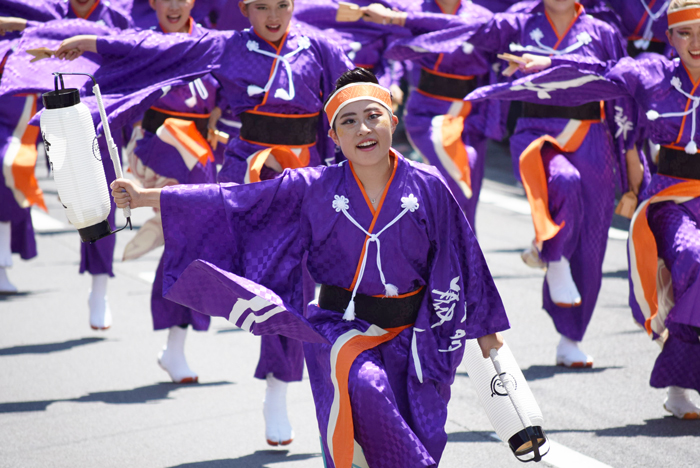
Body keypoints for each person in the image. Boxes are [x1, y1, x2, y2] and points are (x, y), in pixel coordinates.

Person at [110, 68, 510, 467]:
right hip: (341, 331)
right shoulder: (314, 187)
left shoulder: (429, 184)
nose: (363, 129)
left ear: (392, 118)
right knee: (367, 389)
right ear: (333, 138)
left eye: (372, 115)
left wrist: (486, 333)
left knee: (417, 430)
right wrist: (149, 198)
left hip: (418, 335)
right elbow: (237, 200)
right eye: (348, 122)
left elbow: (463, 256)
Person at [53, 0, 353, 445]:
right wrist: (94, 40)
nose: (274, 16)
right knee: (199, 256)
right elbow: (156, 47)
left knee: (293, 287)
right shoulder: (225, 45)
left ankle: (277, 391)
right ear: (245, 9)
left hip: (300, 181)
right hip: (243, 172)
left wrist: (382, 96)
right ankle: (174, 344)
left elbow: (353, 86)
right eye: (263, 7)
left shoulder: (320, 48)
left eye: (284, 5)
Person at [465, 0, 700, 420]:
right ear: (671, 37)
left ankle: (582, 335)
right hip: (556, 137)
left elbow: (617, 94)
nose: (695, 43)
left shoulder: (600, 28)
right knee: (566, 187)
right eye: (685, 33)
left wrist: (628, 155)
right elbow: (602, 73)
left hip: (594, 141)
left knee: (593, 249)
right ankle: (551, 254)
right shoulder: (522, 23)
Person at [0, 0, 132, 314]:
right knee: (25, 177)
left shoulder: (116, 17)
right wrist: (14, 25)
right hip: (60, 117)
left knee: (104, 204)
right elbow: (30, 27)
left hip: (104, 116)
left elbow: (136, 57)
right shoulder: (53, 11)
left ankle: (99, 286)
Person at [361, 0, 500, 230]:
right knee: (455, 177)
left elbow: (496, 65)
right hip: (427, 112)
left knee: (469, 192)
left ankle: (464, 257)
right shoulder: (415, 12)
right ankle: (431, 240)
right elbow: (396, 50)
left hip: (469, 116)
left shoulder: (482, 17)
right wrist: (392, 84)